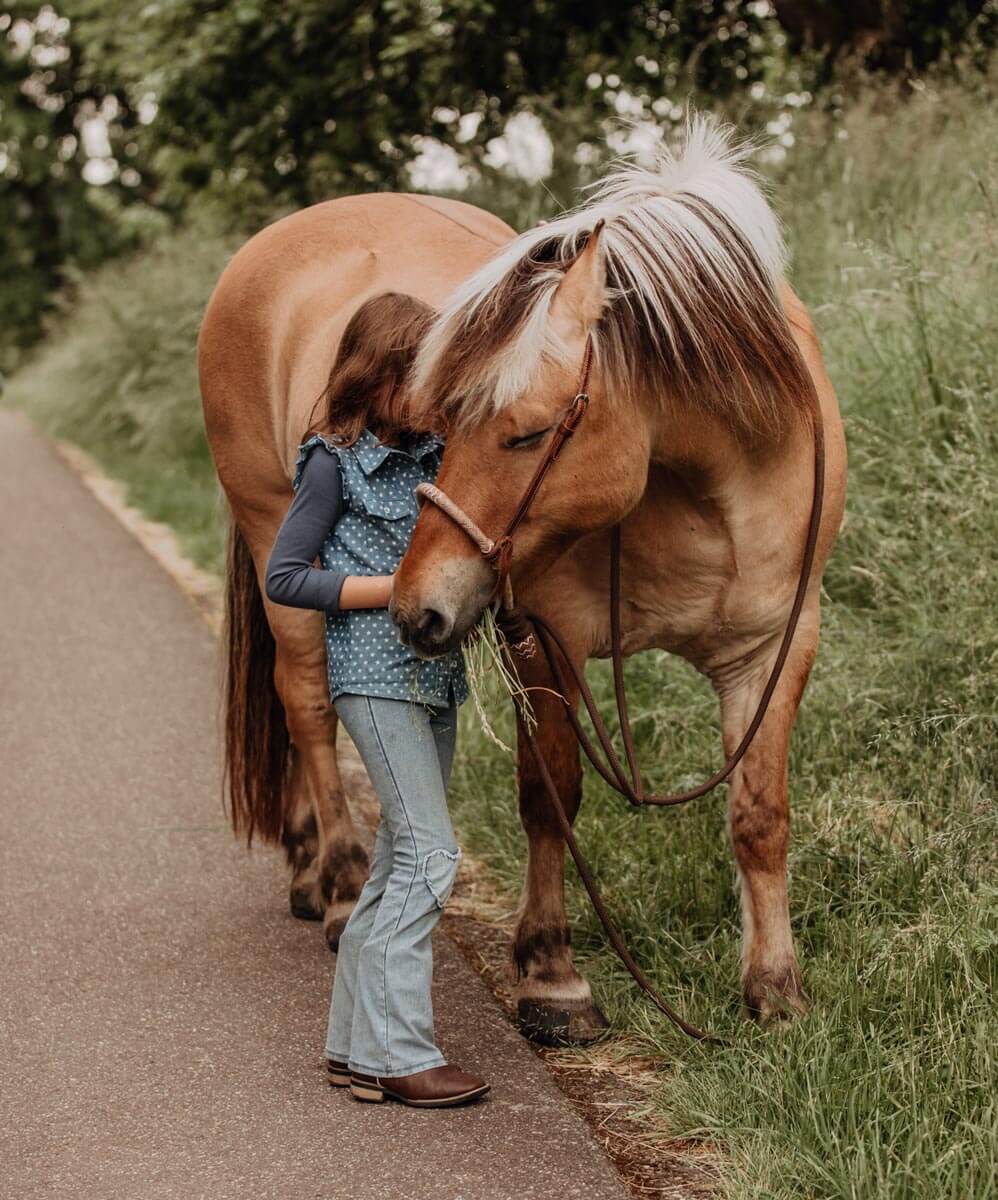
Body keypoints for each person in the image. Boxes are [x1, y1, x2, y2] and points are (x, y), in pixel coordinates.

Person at [265, 292, 489, 1108]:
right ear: (375, 375)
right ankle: (401, 1054)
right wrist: (388, 588)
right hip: (373, 677)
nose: (432, 395)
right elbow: (285, 576)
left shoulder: (439, 453)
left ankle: (353, 1050)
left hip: (436, 678)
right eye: (416, 378)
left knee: (398, 861)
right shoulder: (333, 462)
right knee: (432, 856)